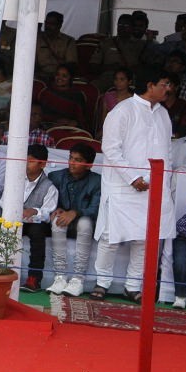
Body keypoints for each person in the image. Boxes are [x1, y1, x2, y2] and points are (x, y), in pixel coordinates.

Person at [91, 69, 176, 303]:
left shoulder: (163, 115)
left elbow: (167, 152)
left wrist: (163, 183)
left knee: (145, 238)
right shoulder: (123, 111)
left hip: (154, 188)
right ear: (150, 85)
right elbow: (110, 149)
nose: (168, 89)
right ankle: (102, 283)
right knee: (110, 236)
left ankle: (132, 285)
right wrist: (132, 178)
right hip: (122, 186)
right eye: (164, 83)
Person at [45, 142, 102, 297]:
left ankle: (78, 279)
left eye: (78, 160)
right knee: (57, 220)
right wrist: (55, 208)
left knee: (84, 223)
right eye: (71, 158)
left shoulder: (97, 181)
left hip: (84, 221)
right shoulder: (56, 176)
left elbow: (95, 209)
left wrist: (75, 212)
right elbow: (48, 200)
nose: (72, 162)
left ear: (89, 165)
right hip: (65, 220)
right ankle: (60, 277)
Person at [12, 145, 59, 292]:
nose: (26, 164)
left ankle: (34, 278)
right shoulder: (15, 179)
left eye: (30, 161)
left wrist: (35, 211)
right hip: (14, 218)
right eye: (24, 160)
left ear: (42, 164)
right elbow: (2, 201)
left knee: (38, 232)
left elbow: (48, 212)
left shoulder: (49, 186)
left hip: (35, 223)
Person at [38, 64, 87, 130]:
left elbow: (81, 120)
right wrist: (55, 123)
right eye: (57, 74)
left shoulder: (77, 95)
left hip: (68, 129)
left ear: (70, 78)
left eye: (64, 76)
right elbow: (39, 116)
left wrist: (70, 122)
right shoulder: (47, 92)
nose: (59, 78)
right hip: (47, 128)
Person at [34, 11, 78, 82]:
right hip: (39, 77)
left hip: (59, 78)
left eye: (52, 24)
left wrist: (57, 74)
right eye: (47, 23)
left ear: (60, 25)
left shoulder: (69, 41)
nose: (48, 26)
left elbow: (71, 65)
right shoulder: (37, 39)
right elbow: (32, 62)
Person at [95, 66, 134, 137]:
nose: (118, 82)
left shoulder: (133, 100)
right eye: (116, 79)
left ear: (129, 82)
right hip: (110, 131)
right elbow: (104, 119)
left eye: (122, 79)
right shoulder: (108, 96)